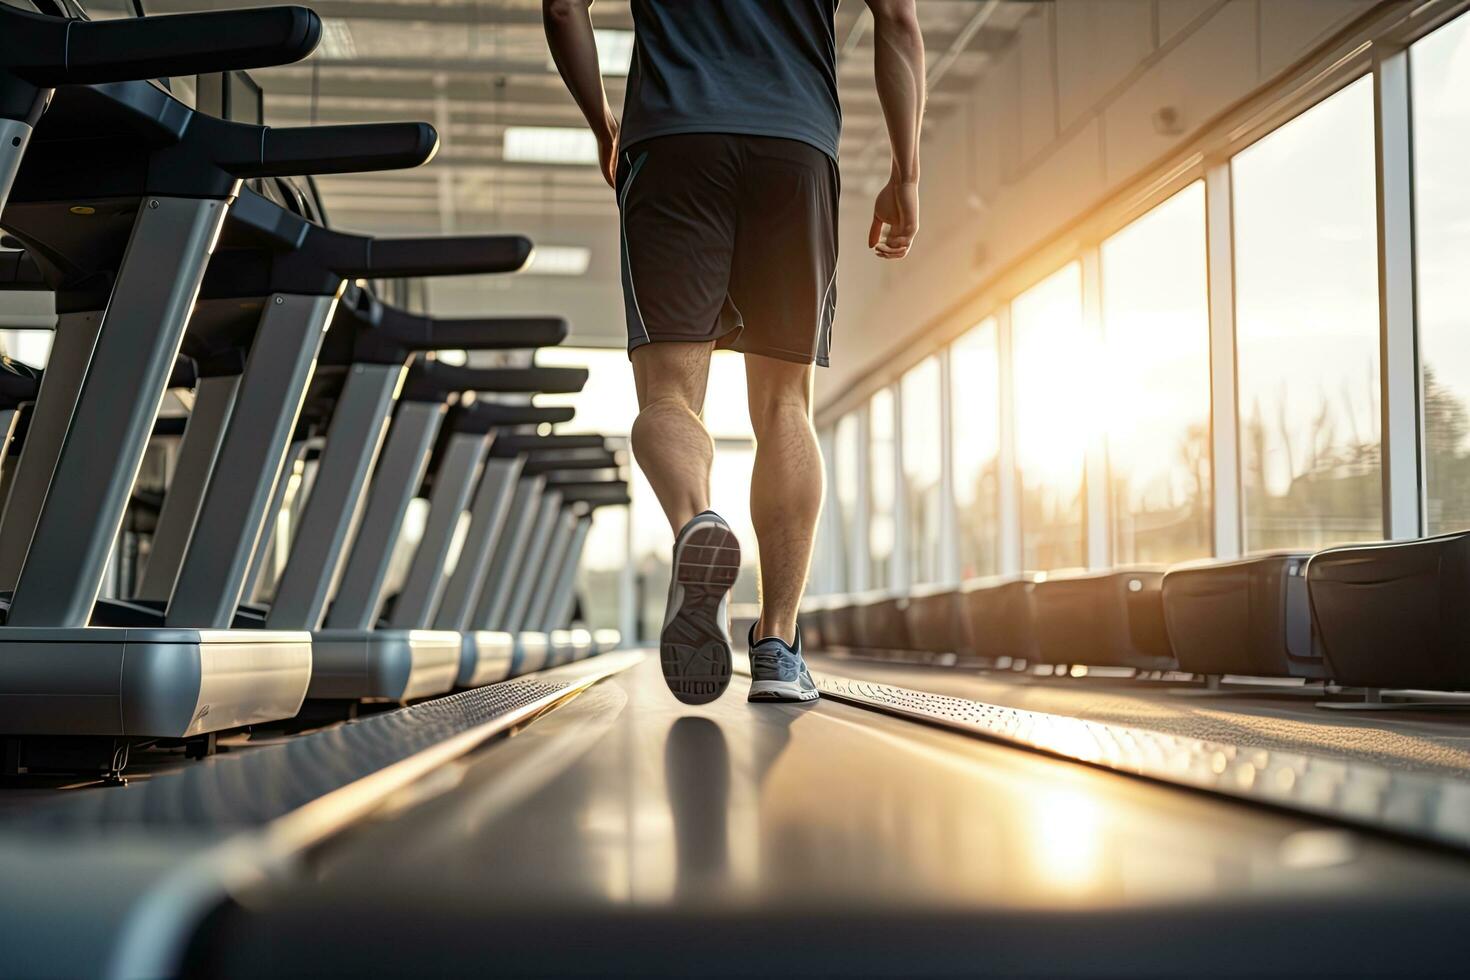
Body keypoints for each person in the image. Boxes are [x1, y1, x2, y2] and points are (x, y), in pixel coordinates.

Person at [545, 0, 924, 705]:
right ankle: (777, 647)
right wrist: (906, 172)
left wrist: (603, 122)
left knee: (668, 397)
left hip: (672, 142)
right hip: (796, 146)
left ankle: (698, 523)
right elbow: (898, 20)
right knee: (785, 404)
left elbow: (564, 7)